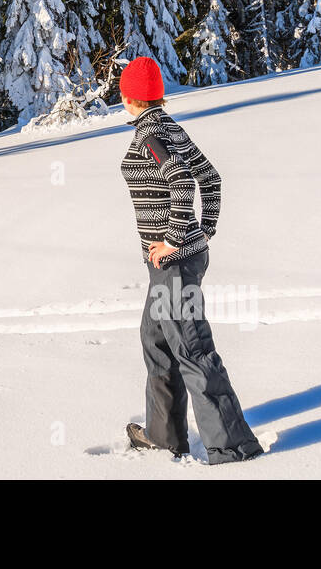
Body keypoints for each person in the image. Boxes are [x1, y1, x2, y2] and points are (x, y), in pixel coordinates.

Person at [117, 55, 263, 464]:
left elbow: (183, 182)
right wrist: (205, 229)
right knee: (156, 339)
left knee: (192, 349)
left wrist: (175, 240)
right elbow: (210, 178)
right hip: (175, 263)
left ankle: (233, 447)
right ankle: (164, 435)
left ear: (129, 98)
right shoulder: (169, 127)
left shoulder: (151, 136)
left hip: (173, 265)